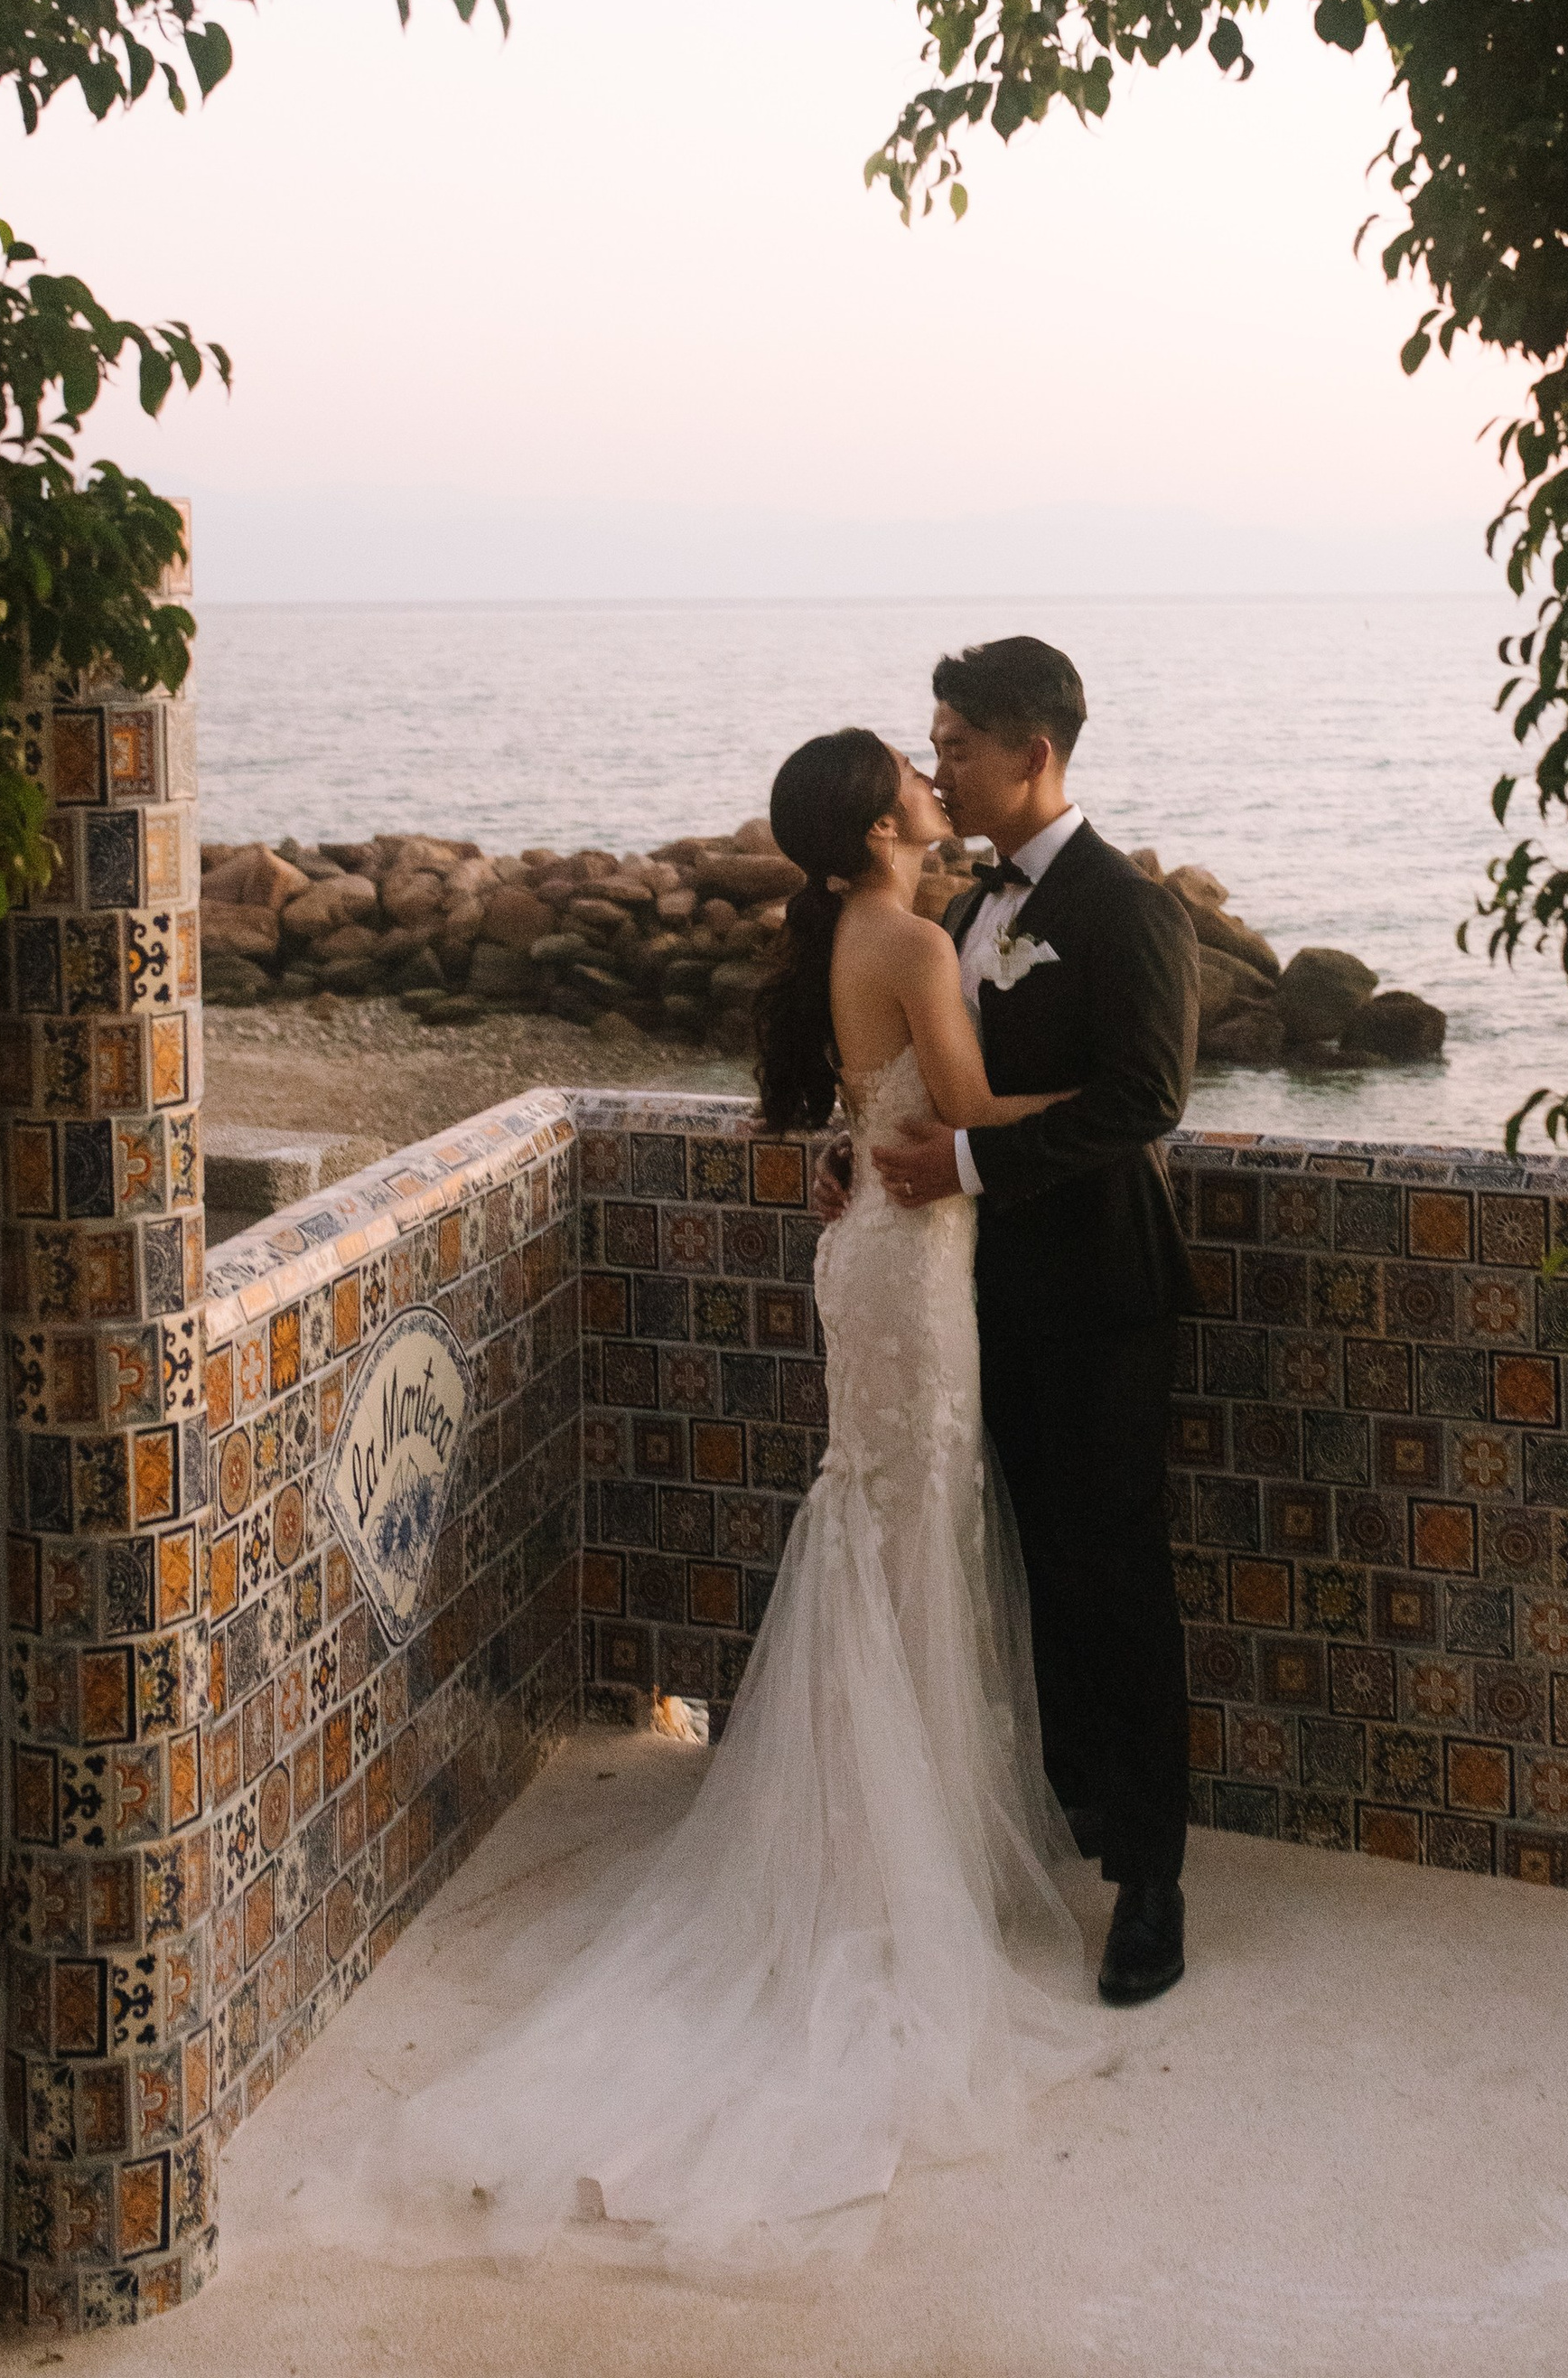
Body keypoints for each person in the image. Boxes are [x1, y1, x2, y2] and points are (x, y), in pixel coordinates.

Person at [310, 726, 1106, 2283]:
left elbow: (873, 1114)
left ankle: (881, 1847)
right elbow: (962, 1106)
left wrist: (895, 1148)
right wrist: (1116, 1093)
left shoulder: (846, 933)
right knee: (905, 1525)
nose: (936, 786)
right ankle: (893, 1872)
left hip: (871, 1248)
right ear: (884, 818)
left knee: (879, 1523)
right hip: (908, 1268)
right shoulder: (911, 932)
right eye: (915, 774)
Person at [837, 635, 1202, 2009]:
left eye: (956, 746)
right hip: (977, 1294)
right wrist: (868, 1148)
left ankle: (1154, 1880)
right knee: (1027, 1559)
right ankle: (1073, 1806)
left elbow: (1145, 1100)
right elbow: (938, 1074)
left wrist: (972, 1165)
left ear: (1031, 752)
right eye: (935, 746)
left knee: (1114, 1573)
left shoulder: (1129, 909)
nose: (938, 768)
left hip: (1102, 1297)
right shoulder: (968, 904)